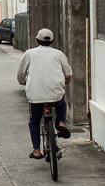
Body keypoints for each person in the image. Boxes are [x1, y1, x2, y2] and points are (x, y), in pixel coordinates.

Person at [16, 28, 73, 159]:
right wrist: (66, 81)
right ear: (52, 41)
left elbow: (21, 74)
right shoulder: (59, 54)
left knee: (34, 121)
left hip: (35, 94)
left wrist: (22, 82)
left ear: (37, 40)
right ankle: (61, 124)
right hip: (54, 92)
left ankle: (36, 150)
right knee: (61, 104)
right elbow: (68, 74)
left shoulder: (29, 53)